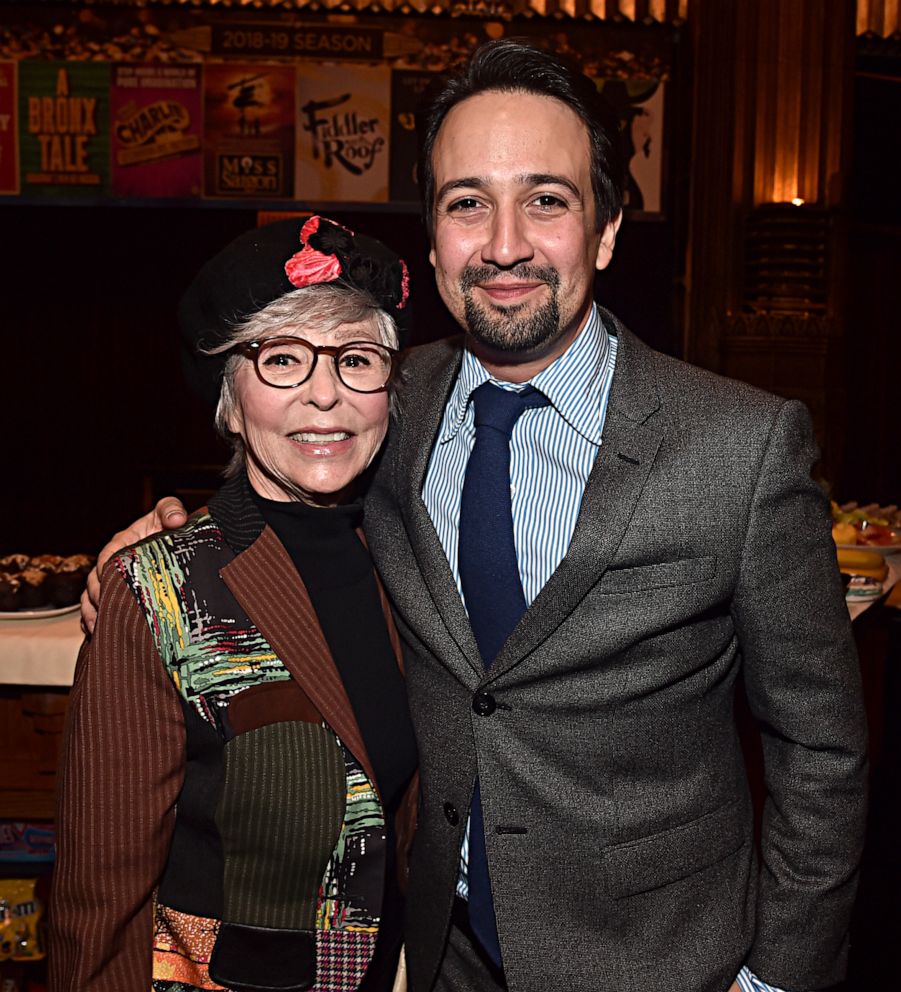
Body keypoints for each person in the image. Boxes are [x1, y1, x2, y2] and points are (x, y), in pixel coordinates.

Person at [83, 41, 867, 992]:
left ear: (608, 229)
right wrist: (161, 546)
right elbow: (284, 466)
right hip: (437, 959)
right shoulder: (389, 402)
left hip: (665, 964)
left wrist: (777, 977)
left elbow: (820, 745)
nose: (504, 244)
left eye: (547, 199)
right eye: (467, 203)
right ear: (433, 238)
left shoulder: (741, 447)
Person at [52, 217, 419, 992]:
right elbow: (101, 900)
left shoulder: (415, 564)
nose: (325, 394)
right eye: (281, 359)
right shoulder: (156, 591)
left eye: (356, 359)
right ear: (229, 395)